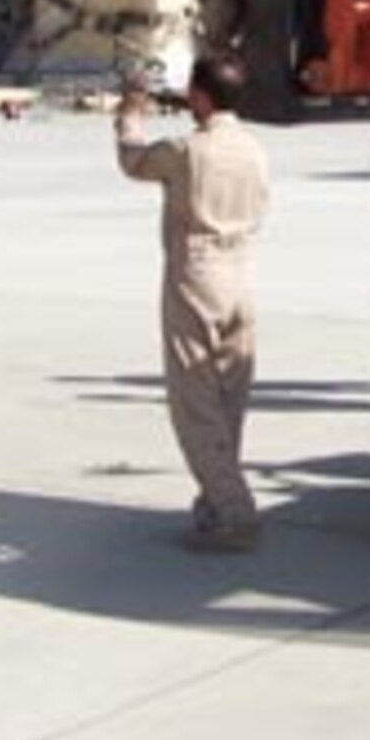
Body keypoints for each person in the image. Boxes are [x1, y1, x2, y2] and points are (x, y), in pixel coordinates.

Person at [115, 53, 271, 553]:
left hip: (197, 275)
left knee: (194, 405)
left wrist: (131, 113)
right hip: (241, 272)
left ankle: (234, 512)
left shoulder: (186, 149)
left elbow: (133, 161)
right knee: (228, 401)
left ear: (200, 95)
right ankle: (214, 500)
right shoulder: (254, 149)